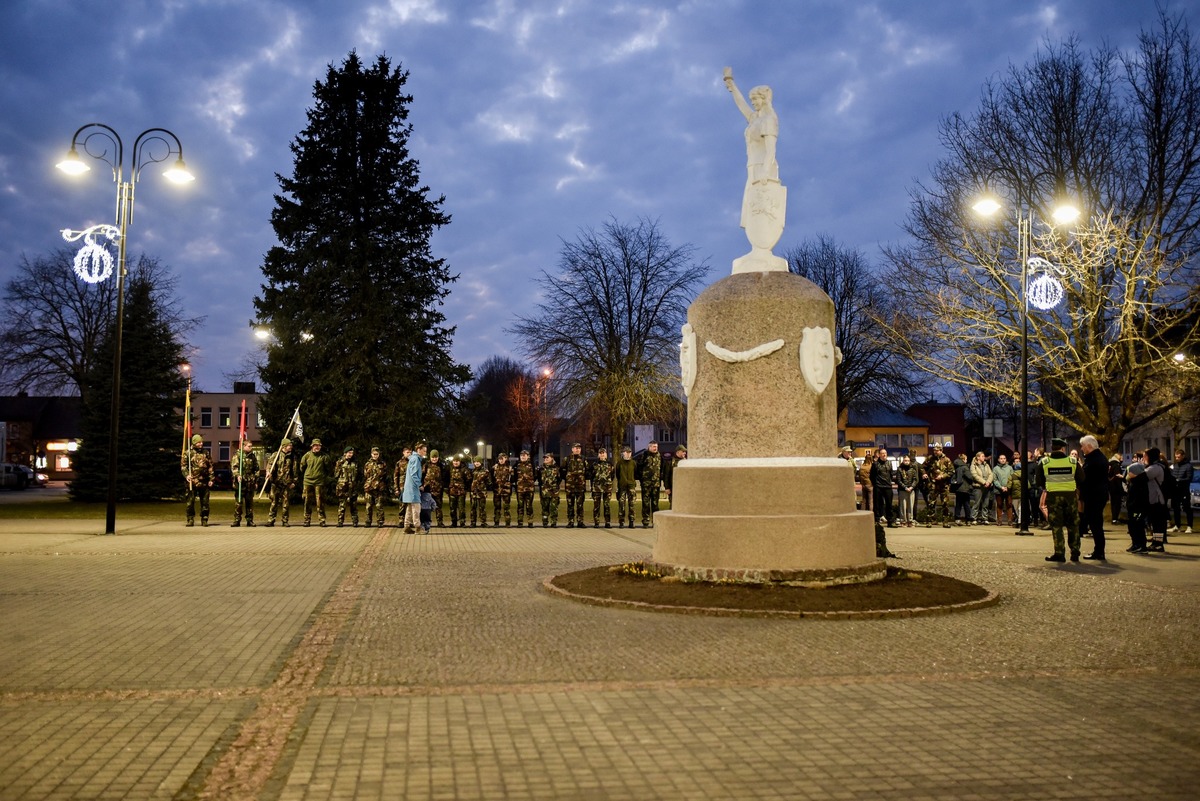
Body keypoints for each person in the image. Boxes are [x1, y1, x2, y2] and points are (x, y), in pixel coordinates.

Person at [723, 67, 780, 227]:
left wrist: (765, 172)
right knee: (751, 210)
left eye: (756, 99)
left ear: (764, 99)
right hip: (752, 165)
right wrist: (731, 85)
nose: (753, 103)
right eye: (752, 100)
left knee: (762, 210)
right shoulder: (755, 118)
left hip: (764, 167)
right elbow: (741, 104)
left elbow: (771, 150)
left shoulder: (769, 120)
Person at [1041, 438, 1083, 563]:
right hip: (1070, 496)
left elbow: (1039, 481)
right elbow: (1081, 478)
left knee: (1057, 526)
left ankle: (1059, 553)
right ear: (1063, 449)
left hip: (1053, 497)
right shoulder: (1072, 461)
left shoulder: (1044, 462)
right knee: (1073, 525)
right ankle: (1075, 552)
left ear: (1052, 448)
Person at [1078, 435, 1109, 560]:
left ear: (1089, 446)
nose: (1081, 449)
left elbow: (1086, 478)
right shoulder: (1099, 458)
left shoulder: (1094, 460)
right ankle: (1099, 550)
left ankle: (1099, 552)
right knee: (1096, 524)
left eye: (1083, 446)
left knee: (1095, 524)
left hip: (1094, 496)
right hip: (1098, 494)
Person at [265, 438, 298, 527]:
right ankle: (271, 520)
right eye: (289, 445)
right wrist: (268, 472)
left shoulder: (292, 456)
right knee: (274, 502)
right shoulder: (276, 455)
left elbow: (294, 470)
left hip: (287, 483)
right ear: (284, 446)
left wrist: (294, 481)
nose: (291, 447)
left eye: (291, 445)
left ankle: (285, 520)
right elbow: (269, 465)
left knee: (286, 503)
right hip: (276, 483)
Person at [181, 433, 213, 527]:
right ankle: (190, 519)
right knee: (190, 502)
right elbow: (183, 466)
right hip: (192, 482)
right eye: (199, 442)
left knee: (205, 502)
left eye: (201, 442)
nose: (201, 444)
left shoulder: (206, 453)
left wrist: (211, 478)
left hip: (204, 481)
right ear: (194, 443)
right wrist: (187, 475)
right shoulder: (188, 453)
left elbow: (210, 466)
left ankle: (204, 519)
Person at [299, 438, 332, 526]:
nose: (317, 447)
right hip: (308, 481)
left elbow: (328, 468)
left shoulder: (324, 457)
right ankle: (307, 520)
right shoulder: (307, 456)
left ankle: (322, 520)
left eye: (319, 446)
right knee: (307, 501)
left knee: (320, 501)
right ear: (312, 446)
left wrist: (323, 476)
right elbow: (302, 467)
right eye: (316, 445)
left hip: (319, 482)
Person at [1144, 447, 1170, 552]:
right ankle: (1156, 542)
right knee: (1156, 523)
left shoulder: (1155, 468)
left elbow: (1143, 476)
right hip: (1155, 499)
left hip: (1157, 499)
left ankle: (1158, 543)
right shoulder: (1156, 466)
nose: (1144, 458)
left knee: (1158, 523)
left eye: (1146, 456)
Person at [230, 439, 259, 527]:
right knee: (238, 503)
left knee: (249, 503)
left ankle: (249, 520)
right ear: (244, 446)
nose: (251, 448)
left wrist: (256, 480)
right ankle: (237, 520)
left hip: (250, 483)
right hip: (240, 484)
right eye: (249, 446)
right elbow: (234, 467)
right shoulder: (237, 456)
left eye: (251, 446)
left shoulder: (252, 456)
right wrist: (237, 475)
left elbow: (256, 469)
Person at [924, 444, 954, 528]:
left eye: (937, 451)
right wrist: (924, 474)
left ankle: (945, 522)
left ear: (941, 450)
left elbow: (951, 471)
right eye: (934, 450)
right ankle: (930, 521)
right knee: (931, 503)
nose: (935, 452)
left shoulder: (947, 460)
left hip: (944, 485)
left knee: (945, 504)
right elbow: (923, 467)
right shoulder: (930, 459)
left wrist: (942, 476)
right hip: (933, 484)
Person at [1124, 459, 1149, 554]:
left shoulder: (1140, 483)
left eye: (1130, 471)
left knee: (1137, 527)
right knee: (1133, 527)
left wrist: (1133, 505)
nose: (1128, 473)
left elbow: (1139, 497)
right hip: (1133, 508)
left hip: (1137, 508)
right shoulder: (1134, 482)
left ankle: (1140, 545)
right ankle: (1135, 544)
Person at [638, 441, 664, 527]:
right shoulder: (644, 456)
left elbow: (662, 469)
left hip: (656, 484)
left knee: (655, 504)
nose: (655, 448)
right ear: (649, 447)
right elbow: (639, 468)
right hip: (646, 484)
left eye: (656, 446)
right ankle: (645, 520)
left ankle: (655, 521)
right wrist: (642, 479)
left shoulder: (659, 456)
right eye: (653, 446)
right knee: (645, 503)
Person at [403, 442, 426, 534]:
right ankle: (418, 527)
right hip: (413, 488)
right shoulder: (416, 459)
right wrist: (419, 485)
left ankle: (407, 526)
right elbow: (414, 474)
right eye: (424, 451)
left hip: (409, 488)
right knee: (416, 508)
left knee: (409, 508)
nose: (425, 453)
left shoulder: (412, 459)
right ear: (419, 450)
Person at [563, 442, 588, 528]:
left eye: (579, 448)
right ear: (572, 449)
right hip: (570, 487)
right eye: (576, 448)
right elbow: (563, 471)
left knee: (580, 505)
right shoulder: (567, 459)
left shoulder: (584, 459)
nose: (577, 449)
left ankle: (580, 522)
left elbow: (587, 472)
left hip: (580, 487)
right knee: (570, 505)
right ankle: (570, 522)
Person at [333, 445, 360, 527]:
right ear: (345, 453)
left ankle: (355, 522)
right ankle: (340, 521)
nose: (350, 454)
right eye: (349, 453)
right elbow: (336, 474)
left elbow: (358, 474)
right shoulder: (340, 462)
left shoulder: (355, 462)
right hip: (343, 487)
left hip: (352, 486)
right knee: (342, 505)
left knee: (353, 505)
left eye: (351, 453)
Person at [362, 446, 388, 527]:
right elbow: (365, 475)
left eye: (377, 454)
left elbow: (385, 475)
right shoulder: (367, 464)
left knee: (379, 506)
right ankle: (368, 521)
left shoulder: (383, 464)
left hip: (379, 487)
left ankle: (380, 522)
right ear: (371, 454)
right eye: (374, 454)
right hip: (369, 488)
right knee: (368, 506)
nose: (375, 456)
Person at [1170, 449, 1194, 534]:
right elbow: (1172, 475)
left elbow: (1189, 478)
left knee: (1187, 507)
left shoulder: (1188, 466)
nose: (1177, 459)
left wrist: (1179, 480)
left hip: (1184, 490)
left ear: (1183, 456)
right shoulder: (1175, 466)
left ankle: (1189, 526)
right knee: (1176, 508)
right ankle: (1177, 525)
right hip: (1175, 491)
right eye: (1176, 457)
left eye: (1179, 457)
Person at [869, 448, 895, 527]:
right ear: (879, 455)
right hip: (878, 487)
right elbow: (872, 476)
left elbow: (891, 474)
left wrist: (889, 483)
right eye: (882, 453)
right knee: (877, 505)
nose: (884, 455)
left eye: (885, 453)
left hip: (887, 486)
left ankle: (890, 522)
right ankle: (877, 521)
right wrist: (876, 484)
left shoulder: (889, 463)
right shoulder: (875, 464)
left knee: (889, 505)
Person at [968, 451, 994, 525]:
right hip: (978, 487)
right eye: (982, 456)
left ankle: (984, 518)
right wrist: (984, 482)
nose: (984, 457)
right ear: (978, 457)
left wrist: (988, 482)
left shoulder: (986, 465)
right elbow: (975, 475)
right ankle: (974, 518)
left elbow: (990, 474)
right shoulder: (973, 465)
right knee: (977, 503)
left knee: (986, 503)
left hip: (987, 486)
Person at [590, 447, 613, 528]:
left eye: (603, 453)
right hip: (597, 488)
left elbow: (612, 476)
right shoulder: (594, 464)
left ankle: (607, 522)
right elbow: (591, 476)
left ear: (606, 455)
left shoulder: (610, 464)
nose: (602, 455)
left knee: (607, 506)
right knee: (596, 506)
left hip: (607, 488)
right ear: (598, 455)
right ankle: (596, 522)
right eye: (600, 453)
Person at [616, 446, 637, 528]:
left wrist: (632, 481)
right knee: (621, 504)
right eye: (626, 452)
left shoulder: (633, 463)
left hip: (631, 486)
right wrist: (621, 481)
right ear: (623, 453)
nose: (628, 454)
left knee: (632, 504)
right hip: (622, 486)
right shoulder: (619, 463)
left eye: (629, 452)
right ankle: (621, 521)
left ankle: (631, 521)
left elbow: (635, 473)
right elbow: (617, 474)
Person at [514, 450, 537, 527]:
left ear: (528, 456)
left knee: (529, 506)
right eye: (521, 455)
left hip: (529, 489)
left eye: (525, 455)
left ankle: (530, 522)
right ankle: (520, 522)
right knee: (520, 506)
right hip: (520, 489)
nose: (523, 457)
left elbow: (535, 476)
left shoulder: (532, 465)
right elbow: (514, 476)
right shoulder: (517, 465)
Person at [896, 454, 919, 527]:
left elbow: (916, 479)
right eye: (905, 460)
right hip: (903, 490)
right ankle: (903, 521)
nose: (906, 462)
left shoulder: (913, 469)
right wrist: (905, 487)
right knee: (903, 506)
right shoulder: (899, 469)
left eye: (908, 460)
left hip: (911, 490)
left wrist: (911, 487)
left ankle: (910, 521)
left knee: (911, 506)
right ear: (903, 461)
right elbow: (898, 480)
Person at [491, 452, 514, 526]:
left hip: (506, 490)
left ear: (505, 459)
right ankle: (496, 522)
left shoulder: (509, 468)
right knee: (497, 507)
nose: (501, 460)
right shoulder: (494, 467)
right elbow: (491, 478)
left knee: (506, 507)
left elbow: (512, 479)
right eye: (499, 459)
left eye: (502, 459)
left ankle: (507, 522)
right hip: (497, 490)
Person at [425, 449, 446, 527]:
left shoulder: (441, 466)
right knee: (426, 507)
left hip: (438, 490)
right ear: (430, 457)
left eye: (436, 457)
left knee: (438, 506)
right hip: (428, 489)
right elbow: (423, 475)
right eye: (433, 457)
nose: (434, 459)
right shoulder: (426, 465)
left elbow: (444, 477)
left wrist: (442, 485)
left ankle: (440, 522)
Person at [446, 454, 468, 527]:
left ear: (460, 462)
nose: (456, 463)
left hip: (461, 492)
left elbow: (468, 479)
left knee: (461, 508)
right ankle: (454, 522)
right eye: (454, 461)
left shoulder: (464, 469)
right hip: (452, 492)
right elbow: (446, 478)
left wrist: (465, 488)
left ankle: (462, 522)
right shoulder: (450, 469)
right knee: (452, 508)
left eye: (457, 461)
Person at [540, 452, 561, 527]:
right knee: (545, 507)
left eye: (547, 458)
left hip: (554, 491)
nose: (545, 459)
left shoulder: (557, 468)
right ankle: (545, 522)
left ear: (552, 458)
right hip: (545, 491)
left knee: (554, 507)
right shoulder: (541, 468)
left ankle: (553, 522)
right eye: (545, 458)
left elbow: (559, 479)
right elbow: (539, 479)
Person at [992, 454, 1013, 525]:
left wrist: (1007, 487)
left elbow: (1011, 478)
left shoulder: (1010, 468)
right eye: (1001, 458)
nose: (1002, 460)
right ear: (998, 460)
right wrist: (1001, 487)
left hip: (1008, 489)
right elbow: (995, 480)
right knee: (999, 504)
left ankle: (1010, 520)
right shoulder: (995, 468)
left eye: (1004, 458)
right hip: (999, 490)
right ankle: (999, 520)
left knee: (1009, 504)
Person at [469, 455, 490, 526]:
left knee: (482, 508)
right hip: (473, 492)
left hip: (482, 492)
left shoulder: (485, 471)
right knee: (473, 508)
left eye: (478, 462)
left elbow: (488, 481)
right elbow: (469, 480)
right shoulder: (471, 471)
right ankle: (473, 522)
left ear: (481, 462)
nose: (477, 463)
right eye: (475, 462)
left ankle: (483, 522)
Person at [951, 453, 971, 525]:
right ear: (963, 459)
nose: (966, 460)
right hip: (965, 488)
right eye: (966, 459)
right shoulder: (965, 467)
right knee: (966, 504)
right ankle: (968, 519)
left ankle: (957, 519)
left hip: (958, 488)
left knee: (958, 504)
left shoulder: (956, 467)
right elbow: (970, 477)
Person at [1107, 455, 1126, 525]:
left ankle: (1114, 518)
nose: (1122, 459)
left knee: (1113, 503)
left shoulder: (1110, 464)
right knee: (1117, 504)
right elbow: (1117, 476)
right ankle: (1115, 518)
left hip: (1111, 487)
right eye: (1122, 458)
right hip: (1116, 488)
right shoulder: (1116, 465)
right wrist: (1121, 489)